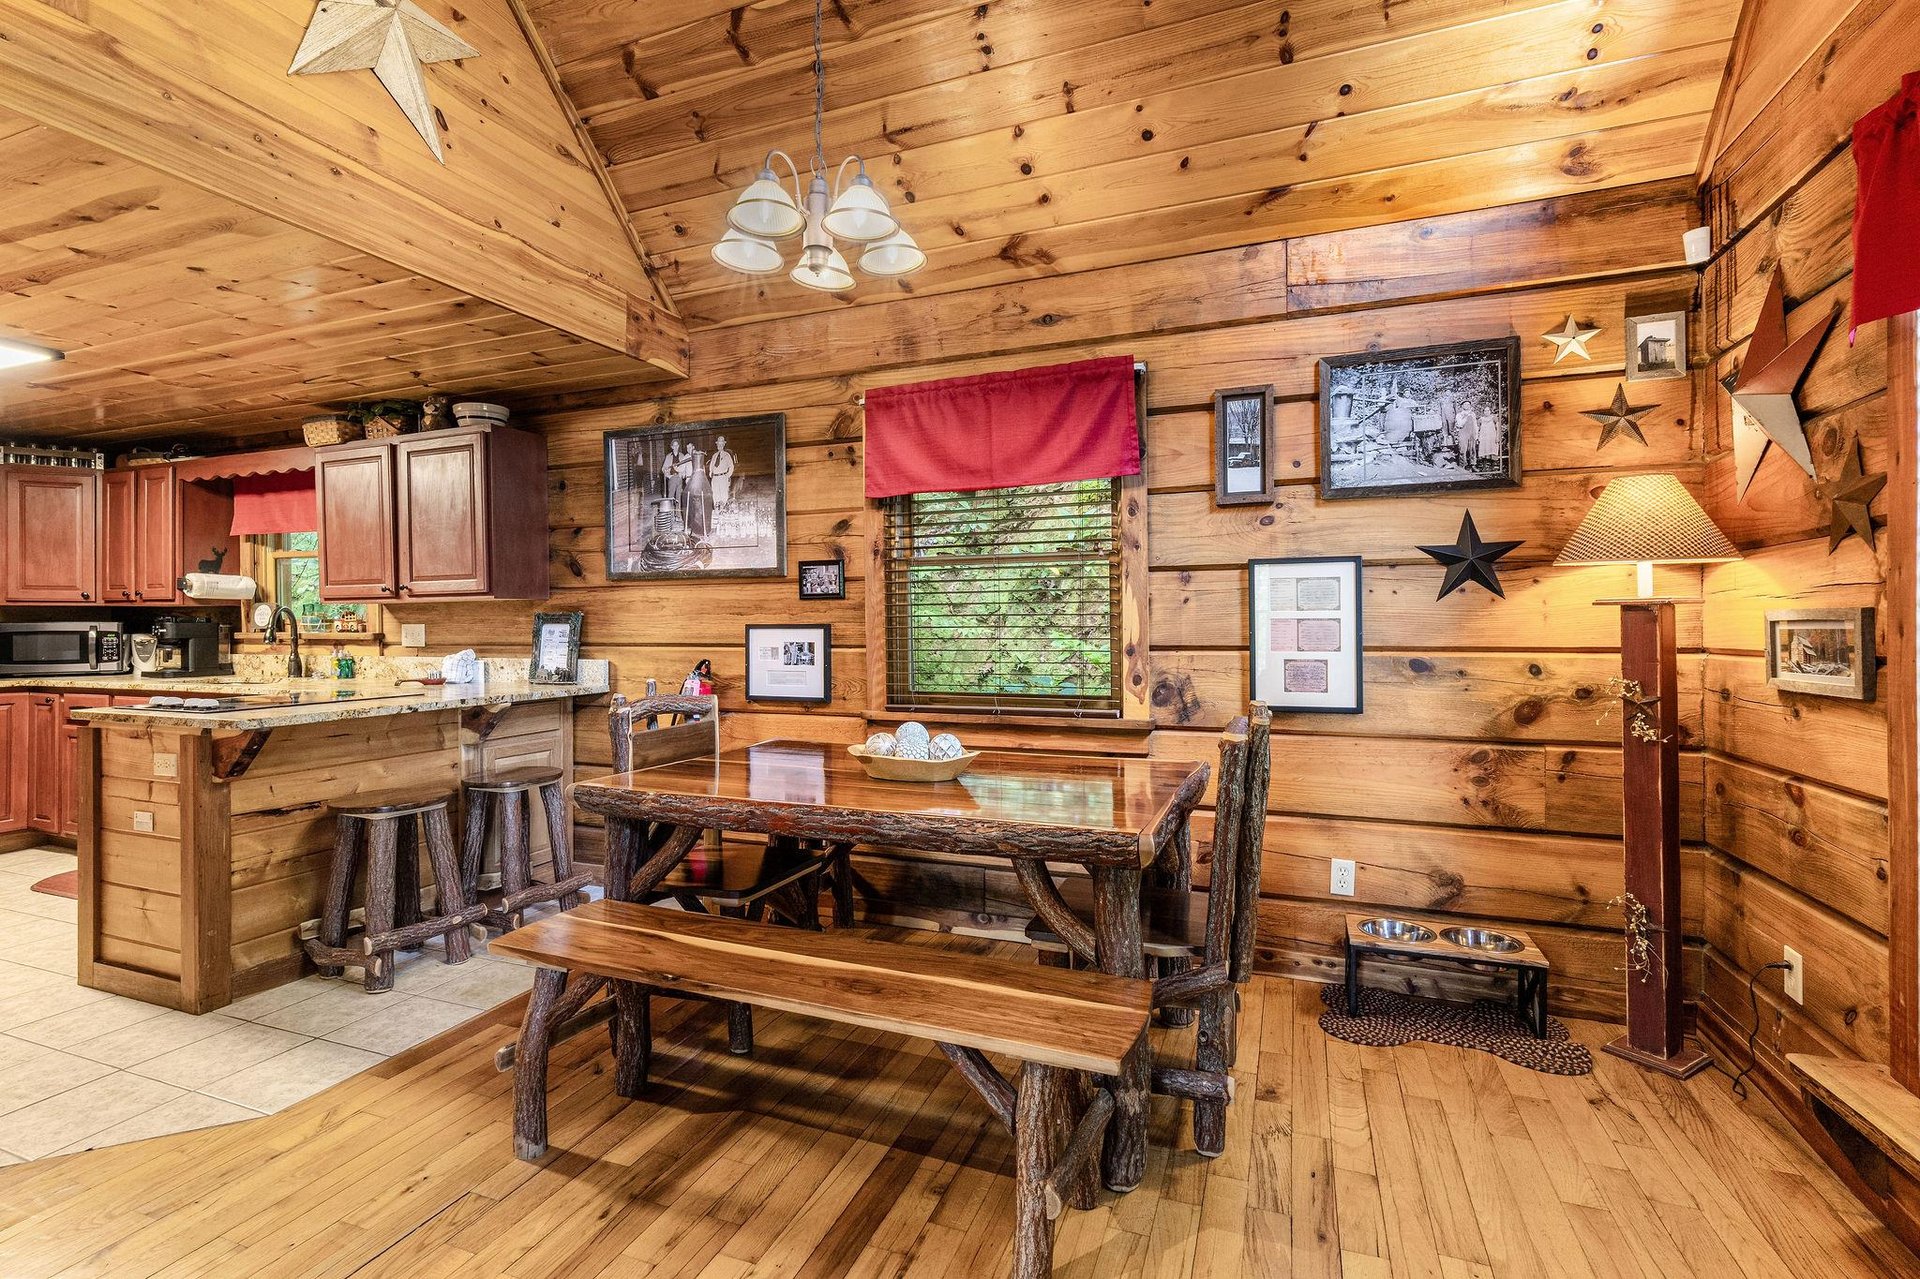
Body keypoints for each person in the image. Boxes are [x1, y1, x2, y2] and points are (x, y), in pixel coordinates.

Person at [709, 436, 736, 509]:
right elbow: (711, 465)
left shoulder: (727, 455)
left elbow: (731, 466)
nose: (720, 446)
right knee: (715, 495)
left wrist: (727, 476)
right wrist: (711, 473)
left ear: (724, 445)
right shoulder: (714, 455)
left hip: (723, 477)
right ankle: (716, 511)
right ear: (716, 444)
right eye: (718, 444)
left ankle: (723, 511)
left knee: (723, 495)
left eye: (721, 444)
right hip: (715, 478)